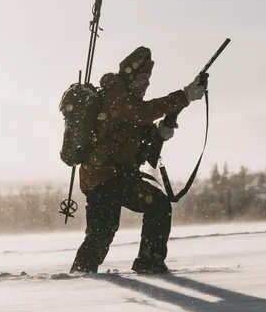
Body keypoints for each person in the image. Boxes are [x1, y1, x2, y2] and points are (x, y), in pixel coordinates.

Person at [69, 46, 206, 275]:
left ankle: (84, 272)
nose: (147, 84)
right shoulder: (116, 94)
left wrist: (159, 133)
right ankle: (147, 263)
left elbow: (138, 137)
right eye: (144, 78)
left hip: (110, 178)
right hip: (104, 177)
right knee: (116, 226)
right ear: (131, 76)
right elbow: (143, 112)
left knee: (104, 231)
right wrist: (185, 95)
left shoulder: (125, 102)